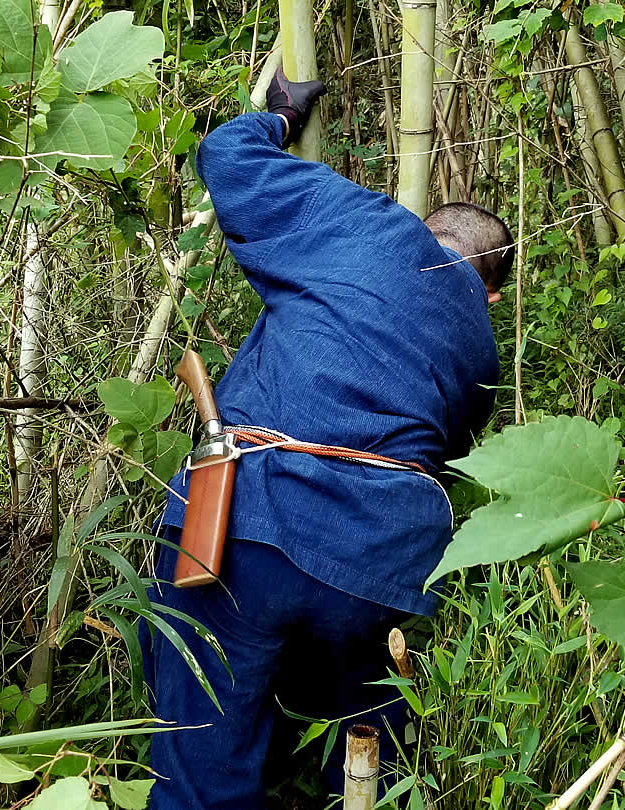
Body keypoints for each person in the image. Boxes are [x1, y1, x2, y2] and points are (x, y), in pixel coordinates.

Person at [139, 69, 515, 809]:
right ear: (493, 294)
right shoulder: (483, 354)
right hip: (379, 572)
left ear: (420, 222)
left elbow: (226, 157)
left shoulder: (366, 224)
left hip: (249, 527)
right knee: (358, 751)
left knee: (201, 766)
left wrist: (279, 117)